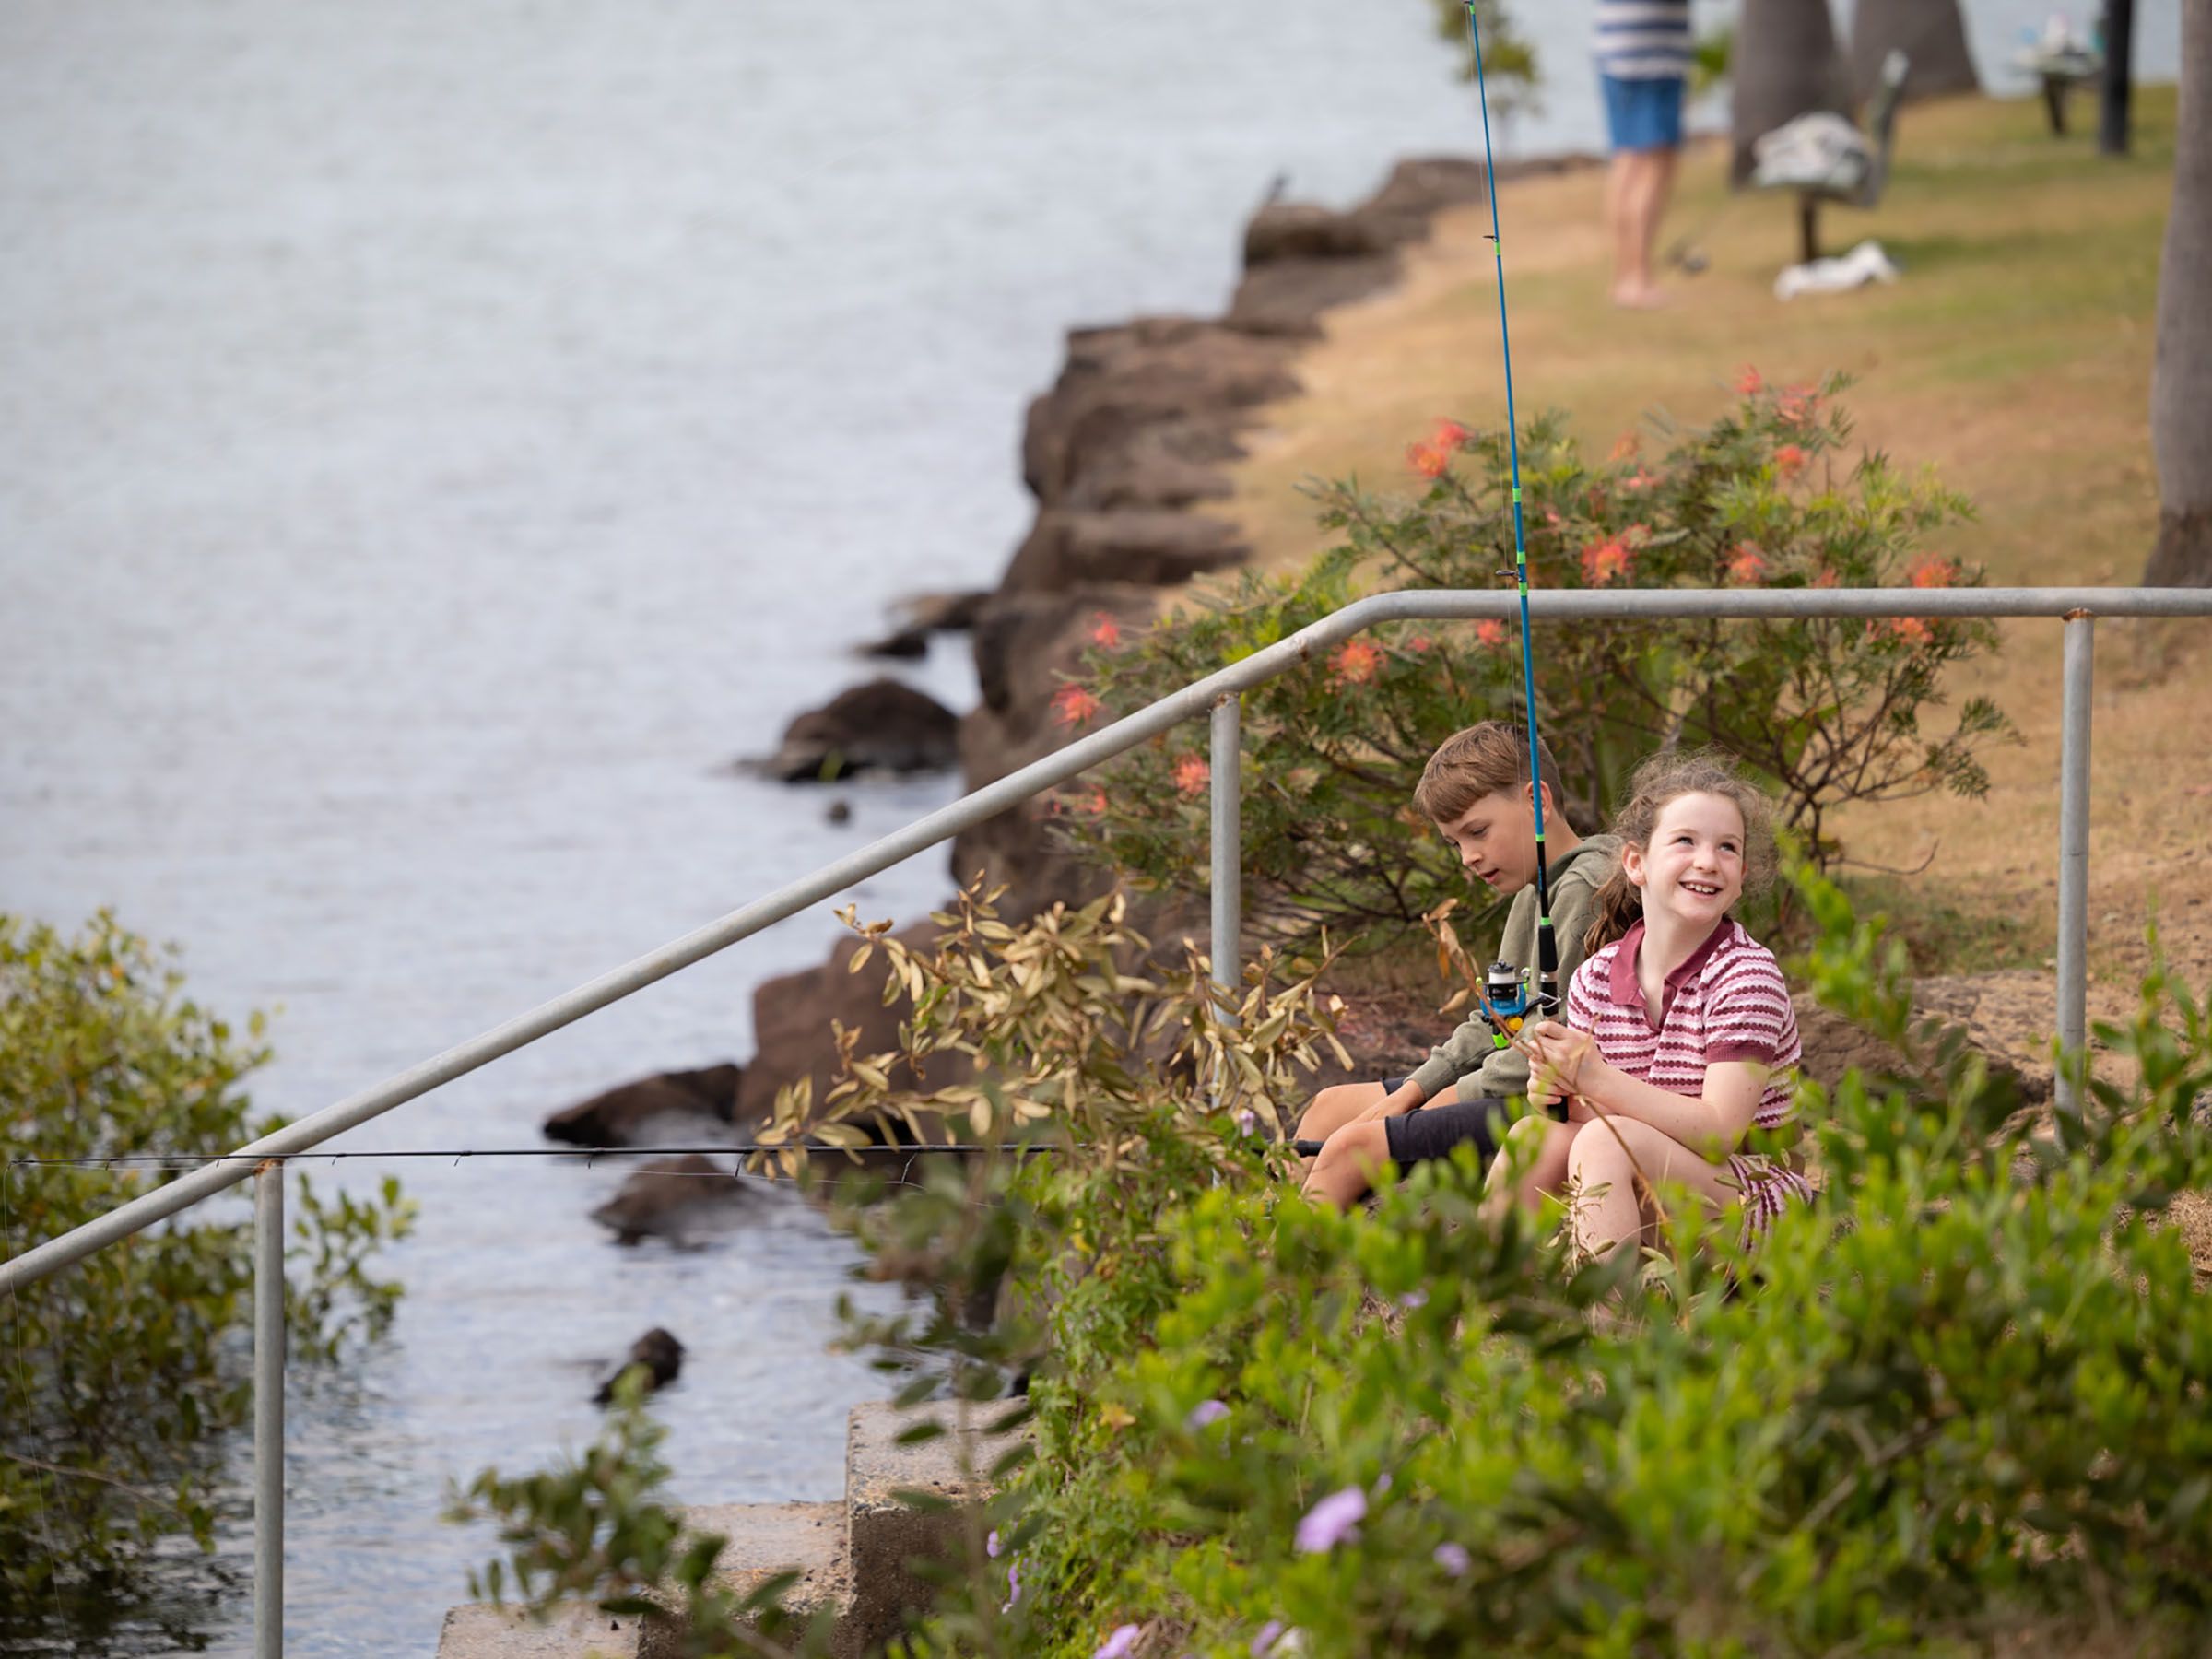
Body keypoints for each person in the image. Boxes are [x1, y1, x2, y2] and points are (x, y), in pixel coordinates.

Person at [1488, 749, 1807, 1257]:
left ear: (1742, 873)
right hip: (1650, 1186)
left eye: (1728, 847)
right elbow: (1592, 1118)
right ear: (1635, 862)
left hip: (1752, 1203)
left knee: (1601, 1142)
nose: (1708, 860)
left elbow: (1721, 1134)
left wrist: (1594, 1078)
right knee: (1532, 1136)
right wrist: (1556, 1094)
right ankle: (1490, 1309)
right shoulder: (1595, 978)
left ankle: (1615, 1324)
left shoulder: (1746, 975)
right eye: (1685, 841)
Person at [1297, 722, 1621, 1207]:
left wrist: (1436, 1100)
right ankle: (1270, 1225)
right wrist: (1413, 1090)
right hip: (1501, 1081)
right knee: (1329, 1107)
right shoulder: (1530, 895)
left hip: (1541, 1101)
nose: (1469, 857)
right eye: (1455, 843)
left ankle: (1290, 1264)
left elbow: (1551, 1045)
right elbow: (1496, 1019)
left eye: (1477, 832)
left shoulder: (1585, 888)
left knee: (1349, 1145)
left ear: (1539, 802)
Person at [1595, 0, 1691, 308]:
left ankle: (1625, 278)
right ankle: (1638, 280)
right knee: (1654, 164)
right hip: (1651, 57)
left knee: (1627, 161)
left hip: (1617, 50)